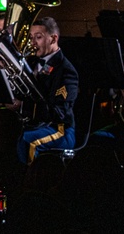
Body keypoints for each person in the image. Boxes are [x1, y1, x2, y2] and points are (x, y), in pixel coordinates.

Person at [17, 16, 78, 164]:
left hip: (60, 129)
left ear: (53, 39)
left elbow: (59, 113)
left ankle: (29, 183)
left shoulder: (66, 71)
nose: (32, 43)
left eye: (38, 37)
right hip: (34, 124)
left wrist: (24, 105)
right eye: (31, 37)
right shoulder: (30, 62)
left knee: (28, 141)